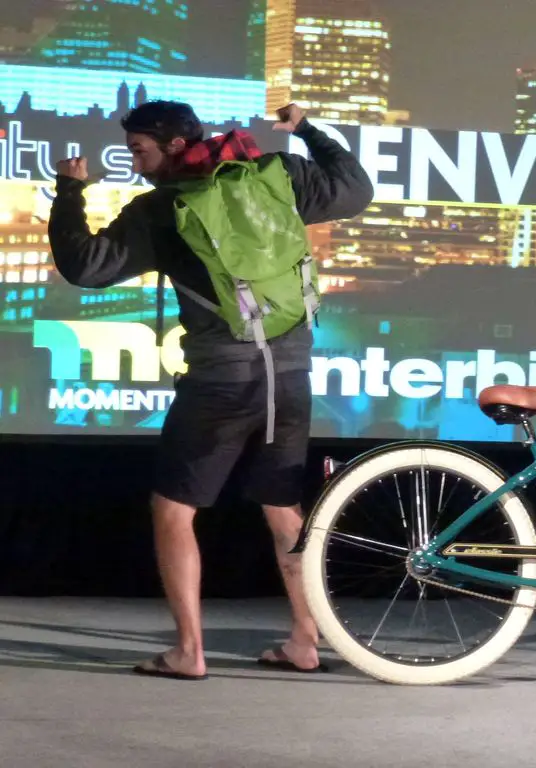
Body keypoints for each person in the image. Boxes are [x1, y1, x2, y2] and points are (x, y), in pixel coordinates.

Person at [49, 100, 374, 680]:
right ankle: (305, 640)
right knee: (282, 508)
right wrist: (306, 130)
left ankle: (188, 652)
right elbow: (354, 190)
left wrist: (69, 193)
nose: (134, 161)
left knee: (173, 510)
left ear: (174, 145)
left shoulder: (162, 209)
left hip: (220, 381)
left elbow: (86, 265)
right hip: (290, 371)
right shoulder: (276, 175)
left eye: (140, 149)